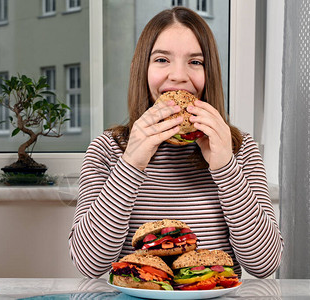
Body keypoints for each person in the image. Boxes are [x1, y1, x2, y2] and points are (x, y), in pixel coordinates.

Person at [68, 7, 283, 279]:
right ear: (142, 70)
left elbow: (264, 265)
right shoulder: (106, 150)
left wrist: (226, 168)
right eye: (161, 60)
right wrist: (131, 163)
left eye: (195, 62)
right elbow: (89, 265)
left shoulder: (239, 148)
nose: (178, 76)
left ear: (210, 74)